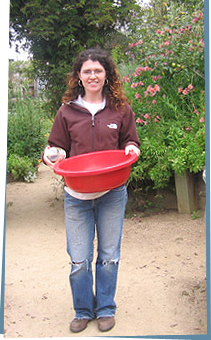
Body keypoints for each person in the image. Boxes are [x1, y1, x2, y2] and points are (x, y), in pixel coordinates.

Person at [43, 48, 140, 333]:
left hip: (112, 193)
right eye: (87, 71)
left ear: (107, 74)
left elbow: (130, 142)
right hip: (77, 197)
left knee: (109, 255)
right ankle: (83, 310)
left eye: (98, 70)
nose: (93, 75)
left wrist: (132, 148)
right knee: (79, 259)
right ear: (79, 77)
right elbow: (56, 146)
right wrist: (52, 154)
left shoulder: (121, 109)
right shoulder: (67, 111)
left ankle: (106, 308)